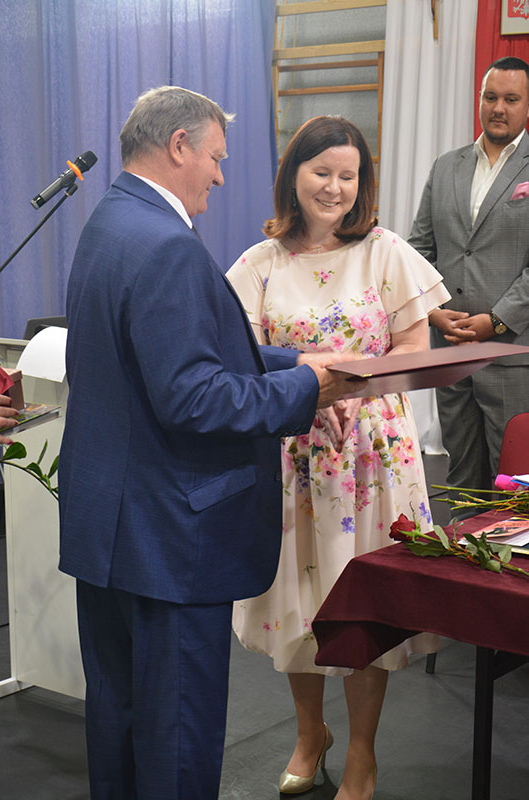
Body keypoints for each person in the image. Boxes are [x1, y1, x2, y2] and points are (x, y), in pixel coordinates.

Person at [57, 87, 354, 800]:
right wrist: (307, 389)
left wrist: (295, 362)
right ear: (179, 146)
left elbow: (170, 352)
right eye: (216, 157)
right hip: (169, 540)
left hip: (112, 530)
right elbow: (194, 396)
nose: (221, 176)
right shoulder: (168, 245)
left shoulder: (110, 221)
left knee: (120, 731)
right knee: (175, 745)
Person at [227, 115, 449, 800]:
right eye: (321, 172)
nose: (334, 187)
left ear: (362, 183)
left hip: (372, 457)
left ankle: (360, 753)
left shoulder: (384, 252)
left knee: (364, 600)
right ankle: (309, 732)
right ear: (293, 175)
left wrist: (359, 386)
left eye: (347, 176)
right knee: (300, 598)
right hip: (295, 453)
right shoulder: (258, 264)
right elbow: (241, 359)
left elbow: (415, 349)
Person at [409, 56, 529, 492]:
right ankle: (458, 540)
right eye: (490, 97)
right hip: (450, 350)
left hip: (511, 354)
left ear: (527, 105)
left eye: (511, 99)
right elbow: (418, 251)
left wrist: (494, 321)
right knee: (461, 479)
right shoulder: (446, 166)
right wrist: (433, 312)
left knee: (513, 482)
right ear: (479, 99)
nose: (498, 108)